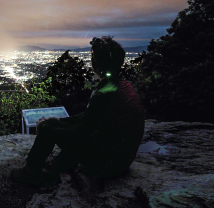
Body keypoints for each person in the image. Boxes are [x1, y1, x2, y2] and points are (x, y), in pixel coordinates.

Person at [10, 36, 145, 186]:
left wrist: (46, 128)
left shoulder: (105, 93)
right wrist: (61, 121)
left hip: (108, 165)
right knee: (58, 126)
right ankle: (62, 163)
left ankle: (31, 171)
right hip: (121, 160)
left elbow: (79, 132)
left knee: (48, 130)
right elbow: (90, 118)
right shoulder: (121, 85)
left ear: (95, 64)